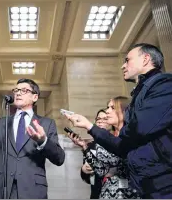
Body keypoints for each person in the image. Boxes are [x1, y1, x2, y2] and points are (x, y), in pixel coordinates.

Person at [65, 43, 172, 198]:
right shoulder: (140, 92)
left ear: (146, 59)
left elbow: (138, 129)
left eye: (127, 60)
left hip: (163, 183)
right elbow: (122, 146)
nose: (123, 65)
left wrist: (121, 131)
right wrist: (88, 126)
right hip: (146, 184)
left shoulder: (163, 84)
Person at [0, 78, 65, 199]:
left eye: (24, 90)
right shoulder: (1, 123)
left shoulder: (46, 123)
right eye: (16, 90)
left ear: (34, 97)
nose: (18, 93)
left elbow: (59, 158)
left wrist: (43, 141)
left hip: (32, 190)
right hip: (1, 190)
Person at [68, 97, 139, 199]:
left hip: (129, 194)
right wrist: (84, 146)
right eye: (107, 107)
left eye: (112, 108)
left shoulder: (133, 135)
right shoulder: (104, 140)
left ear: (124, 111)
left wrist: (87, 125)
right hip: (106, 193)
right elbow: (101, 170)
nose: (107, 111)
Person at [80, 109, 111, 199]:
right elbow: (86, 179)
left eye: (105, 119)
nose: (100, 121)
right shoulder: (90, 145)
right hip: (95, 193)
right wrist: (84, 170)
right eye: (98, 119)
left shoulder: (116, 142)